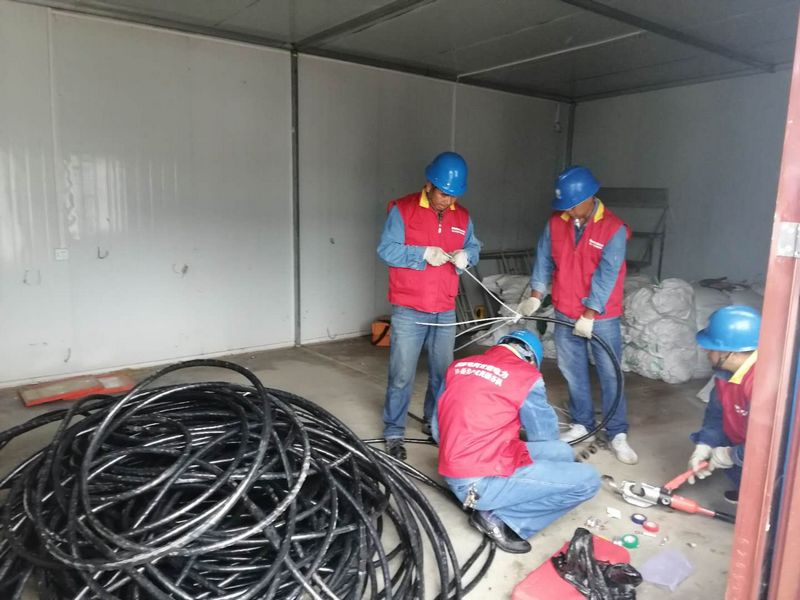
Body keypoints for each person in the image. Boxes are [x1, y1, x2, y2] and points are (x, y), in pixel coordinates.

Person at [432, 330, 600, 553]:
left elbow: (437, 430)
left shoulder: (459, 365)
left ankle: (509, 490)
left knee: (562, 452)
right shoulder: (526, 376)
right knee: (588, 480)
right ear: (531, 360)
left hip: (457, 465)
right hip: (476, 484)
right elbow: (543, 435)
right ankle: (501, 518)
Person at [517, 165, 637, 464]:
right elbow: (544, 259)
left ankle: (617, 432)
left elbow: (608, 274)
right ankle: (582, 424)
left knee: (610, 374)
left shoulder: (613, 229)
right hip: (565, 310)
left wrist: (590, 313)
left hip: (601, 316)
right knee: (573, 372)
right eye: (565, 207)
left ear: (589, 197)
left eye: (572, 206)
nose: (568, 212)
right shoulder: (556, 223)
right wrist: (535, 296)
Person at [377, 152, 481, 460]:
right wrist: (421, 254)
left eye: (454, 195)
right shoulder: (403, 209)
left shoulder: (462, 217)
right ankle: (394, 431)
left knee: (442, 374)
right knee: (401, 375)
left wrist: (467, 256)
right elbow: (386, 250)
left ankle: (433, 423)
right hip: (409, 308)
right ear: (429, 184)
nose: (448, 201)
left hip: (444, 308)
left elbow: (474, 245)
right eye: (443, 193)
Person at [687, 305, 760, 503]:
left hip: (762, 455)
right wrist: (706, 444)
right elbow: (716, 415)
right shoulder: (724, 375)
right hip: (741, 440)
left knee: (767, 497)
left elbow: (767, 443)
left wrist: (731, 454)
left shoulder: (760, 384)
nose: (706, 351)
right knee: (739, 476)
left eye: (711, 348)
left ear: (731, 353)